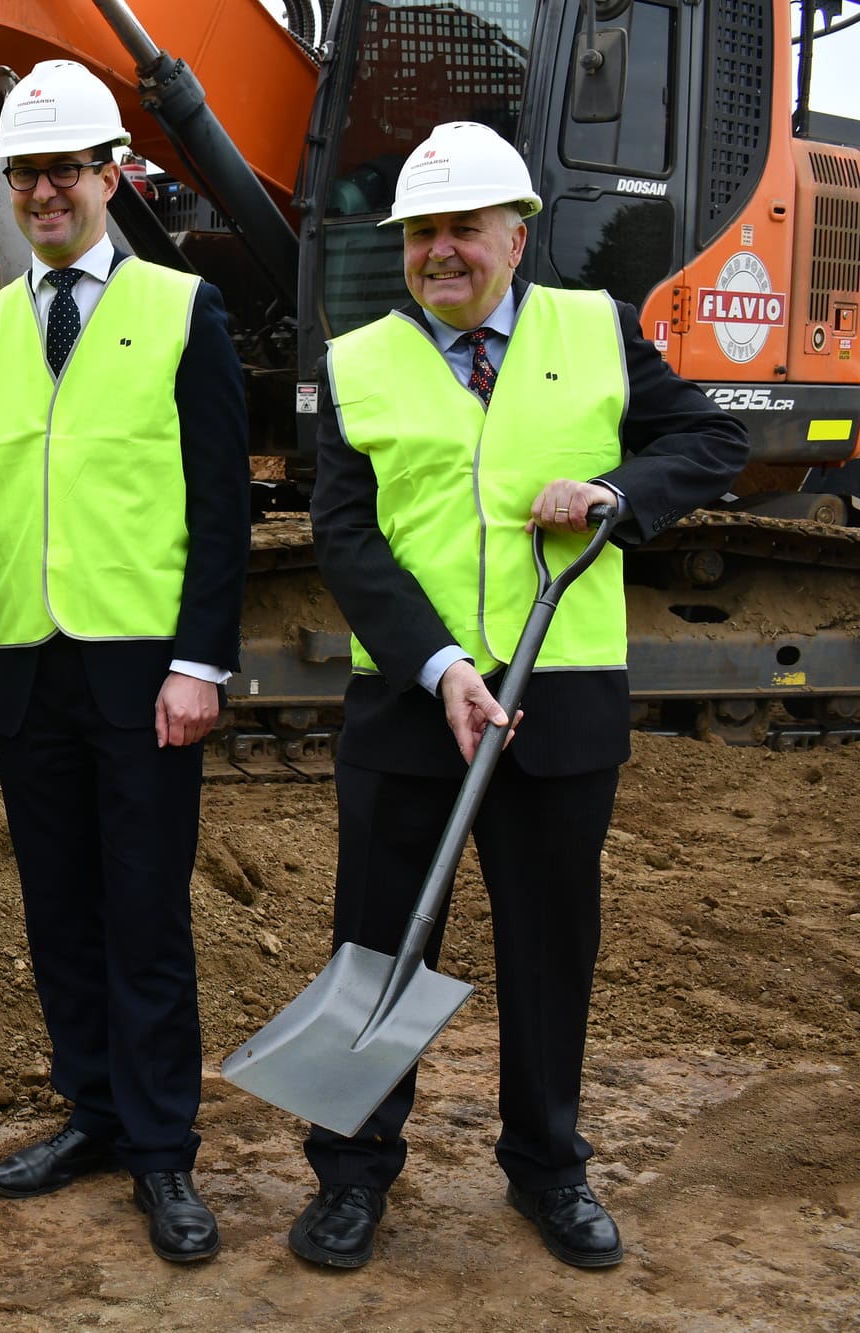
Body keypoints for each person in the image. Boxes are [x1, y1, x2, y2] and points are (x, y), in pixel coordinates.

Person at [290, 120, 749, 1271]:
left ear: (515, 233)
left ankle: (547, 1168)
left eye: (461, 229)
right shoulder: (357, 361)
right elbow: (345, 539)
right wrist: (439, 664)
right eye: (420, 233)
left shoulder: (591, 332)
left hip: (558, 704)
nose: (439, 251)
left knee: (550, 947)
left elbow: (705, 440)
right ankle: (351, 1176)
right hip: (409, 707)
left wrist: (609, 490)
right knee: (380, 944)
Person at [0, 60, 251, 1264]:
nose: (45, 189)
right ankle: (91, 1115)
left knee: (144, 913)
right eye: (25, 172)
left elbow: (221, 508)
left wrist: (200, 661)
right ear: (7, 188)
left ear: (113, 176)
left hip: (144, 671)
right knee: (57, 910)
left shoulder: (178, 309)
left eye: (65, 167)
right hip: (26, 667)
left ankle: (162, 1152)